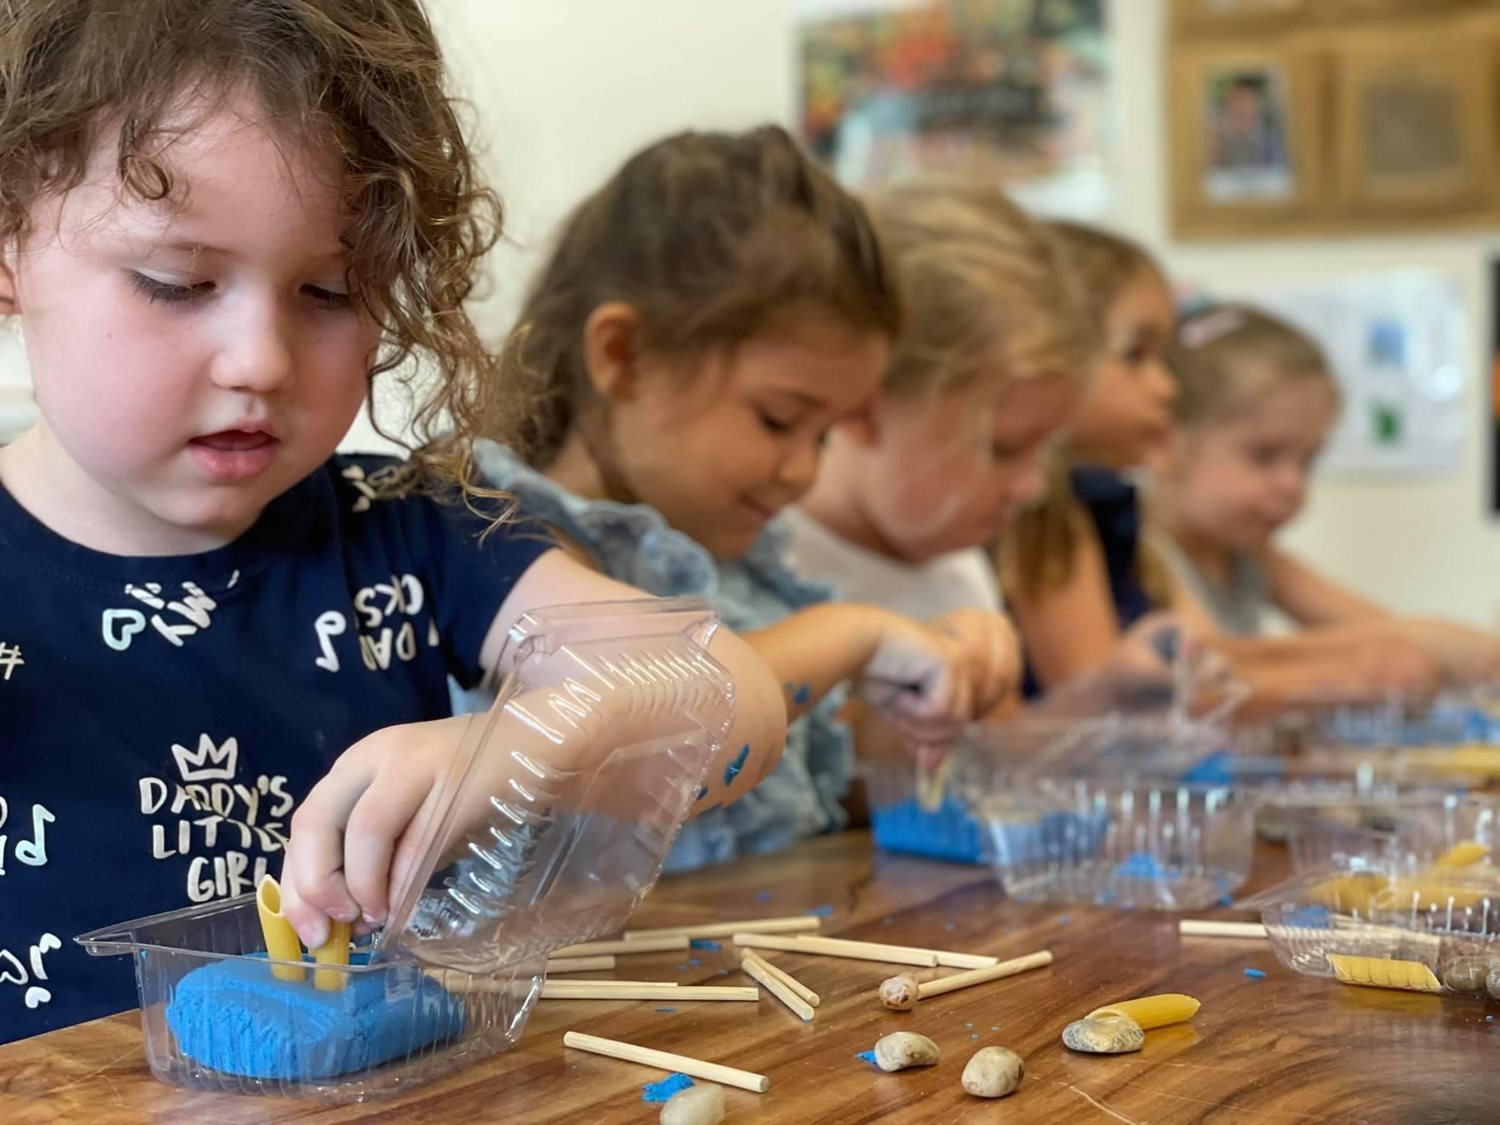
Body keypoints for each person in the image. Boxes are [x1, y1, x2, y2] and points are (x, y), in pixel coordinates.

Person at [0, 0, 792, 1042]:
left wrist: (519, 747)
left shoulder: (416, 529)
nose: (261, 360)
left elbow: (739, 696)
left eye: (330, 291)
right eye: (176, 283)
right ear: (9, 245)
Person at [470, 130, 1018, 871]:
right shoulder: (510, 542)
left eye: (825, 435)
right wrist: (851, 635)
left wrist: (928, 695)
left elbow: (813, 788)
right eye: (779, 421)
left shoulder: (741, 566)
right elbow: (642, 724)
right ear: (624, 357)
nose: (802, 472)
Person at [1002, 224, 1442, 708]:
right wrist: (1356, 673)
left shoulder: (1114, 516)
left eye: (1308, 461)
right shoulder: (1075, 524)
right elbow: (1118, 703)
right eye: (1137, 356)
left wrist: (1409, 653)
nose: (1167, 388)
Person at [786, 182, 1085, 624]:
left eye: (1044, 449)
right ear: (861, 408)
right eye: (1004, 448)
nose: (1032, 487)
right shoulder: (764, 582)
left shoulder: (956, 565)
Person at [1152, 304, 1500, 682]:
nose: (1292, 485)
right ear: (1166, 443)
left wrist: (1437, 644)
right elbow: (1205, 666)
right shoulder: (1142, 550)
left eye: (1307, 461)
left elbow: (1368, 626)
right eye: (1264, 455)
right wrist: (1417, 642)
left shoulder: (1248, 556)